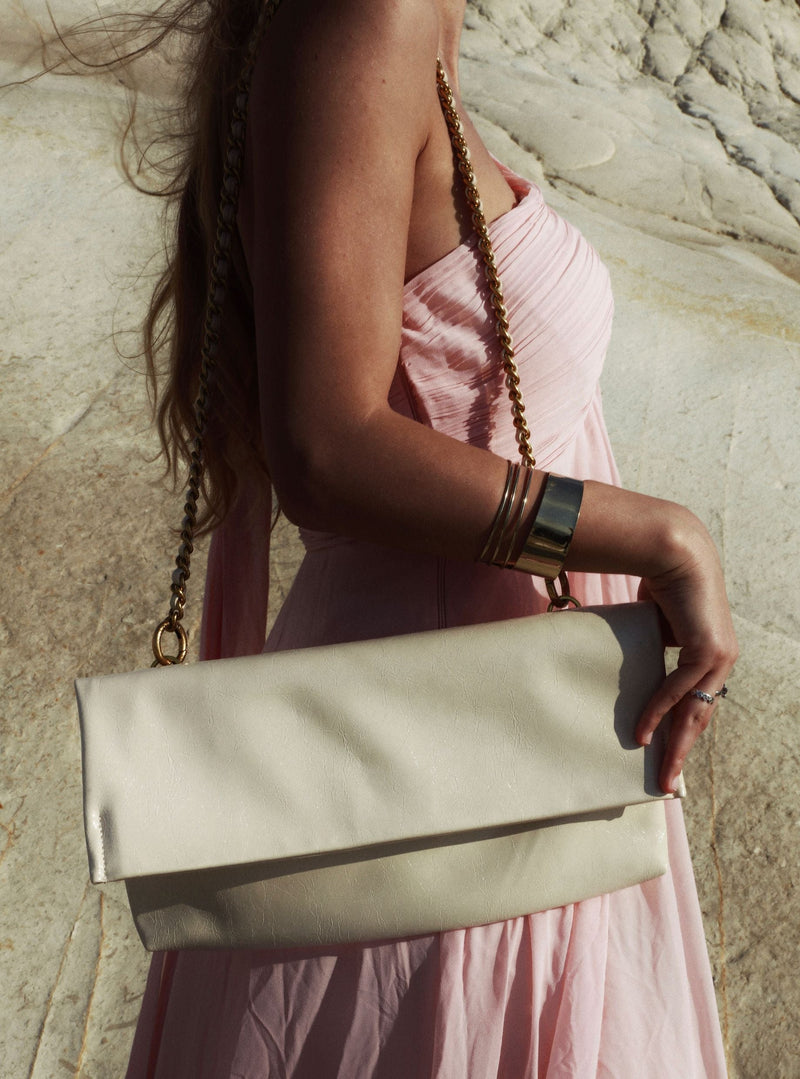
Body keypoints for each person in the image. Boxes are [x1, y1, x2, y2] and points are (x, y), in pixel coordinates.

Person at [91, 0, 737, 1074]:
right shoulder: (368, 17)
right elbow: (327, 445)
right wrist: (663, 538)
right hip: (445, 768)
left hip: (506, 733)